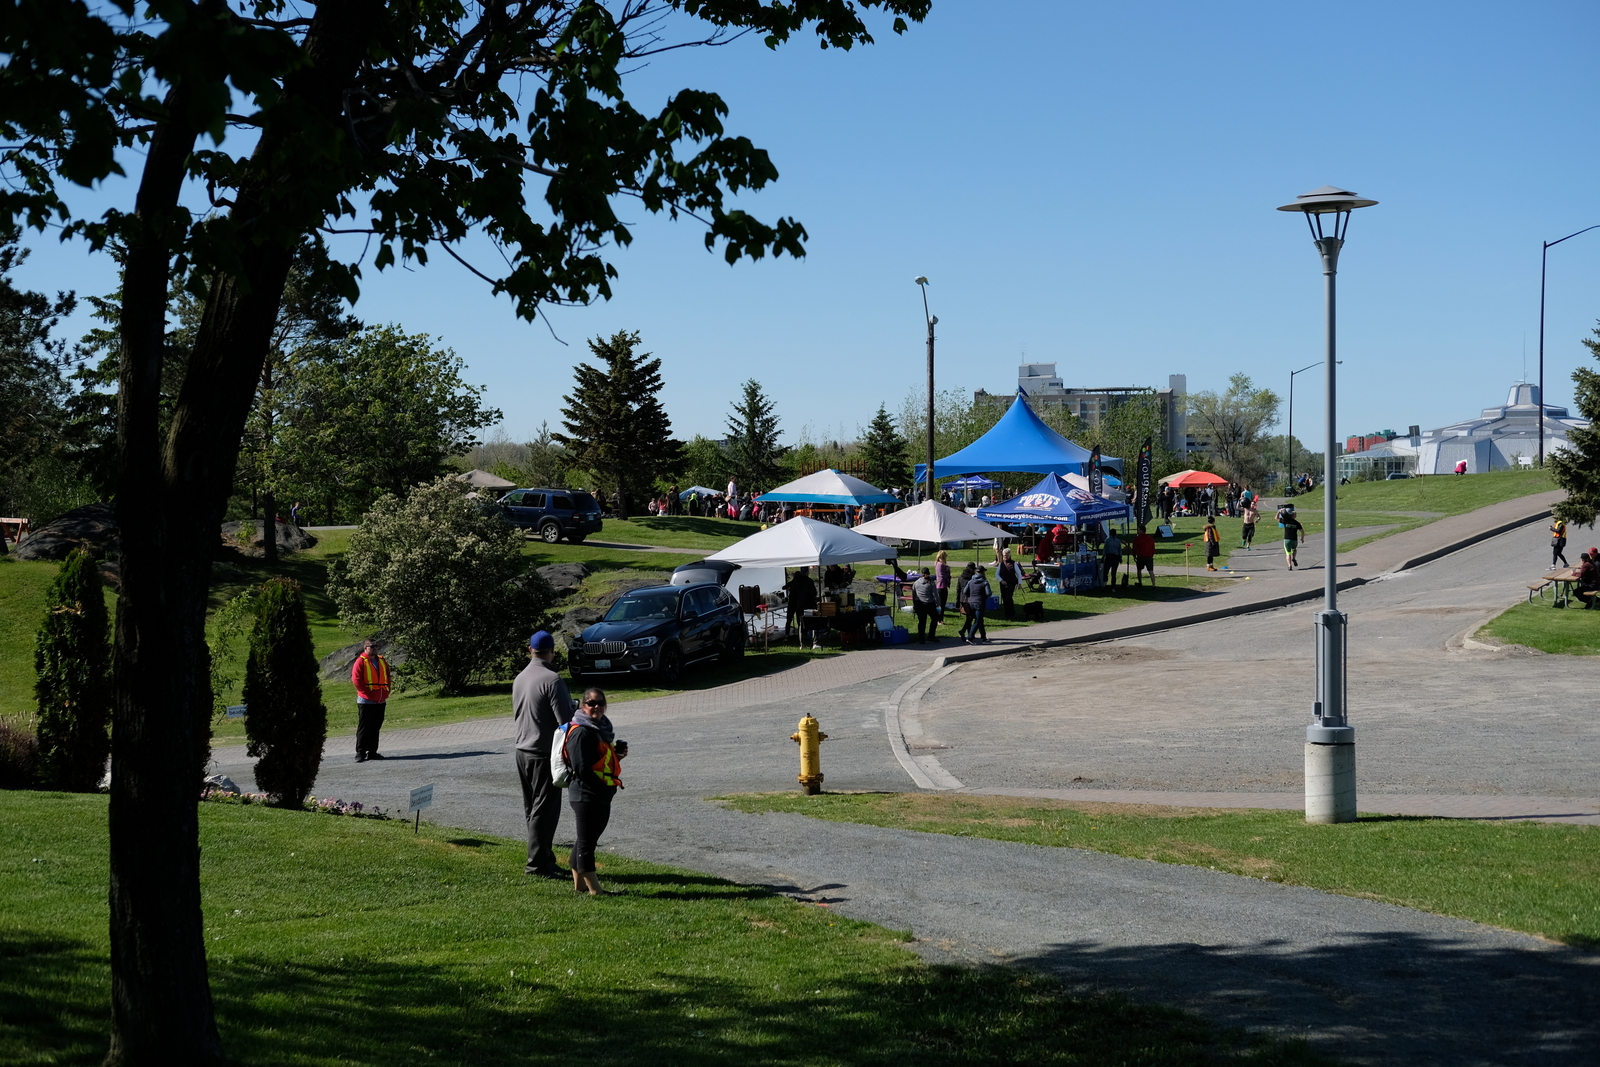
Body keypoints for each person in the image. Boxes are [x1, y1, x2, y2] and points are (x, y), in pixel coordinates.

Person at [513, 630, 574, 879]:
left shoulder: (520, 678)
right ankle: (537, 865)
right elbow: (565, 722)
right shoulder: (552, 679)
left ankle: (545, 857)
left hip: (522, 751)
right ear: (552, 652)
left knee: (533, 808)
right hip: (542, 752)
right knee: (544, 810)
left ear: (530, 650)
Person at [565, 686, 627, 895]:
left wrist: (617, 756)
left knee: (585, 840)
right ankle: (595, 890)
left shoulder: (598, 729)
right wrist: (601, 788)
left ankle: (580, 887)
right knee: (586, 843)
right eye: (591, 703)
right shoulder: (581, 731)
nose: (596, 707)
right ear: (583, 706)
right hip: (586, 793)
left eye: (600, 703)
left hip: (596, 792)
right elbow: (581, 768)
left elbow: (596, 761)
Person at [351, 638, 390, 763]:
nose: (374, 648)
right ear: (365, 648)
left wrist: (387, 691)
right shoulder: (360, 662)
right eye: (371, 646)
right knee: (364, 727)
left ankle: (372, 752)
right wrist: (367, 693)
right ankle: (360, 753)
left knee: (376, 726)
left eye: (376, 646)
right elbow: (356, 680)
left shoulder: (381, 660)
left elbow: (388, 676)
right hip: (366, 700)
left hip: (380, 700)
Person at [784, 566, 818, 640]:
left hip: (792, 601)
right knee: (800, 620)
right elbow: (814, 593)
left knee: (789, 619)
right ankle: (802, 635)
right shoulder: (809, 581)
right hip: (801, 602)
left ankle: (786, 635)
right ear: (807, 572)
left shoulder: (795, 580)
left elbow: (784, 587)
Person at [963, 564, 991, 643]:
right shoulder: (985, 582)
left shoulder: (970, 581)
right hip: (980, 603)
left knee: (980, 620)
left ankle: (984, 637)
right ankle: (970, 637)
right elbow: (988, 593)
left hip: (971, 603)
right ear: (983, 573)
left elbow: (965, 591)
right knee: (977, 621)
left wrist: (971, 596)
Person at [912, 568, 940, 642]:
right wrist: (938, 604)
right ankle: (931, 636)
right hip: (929, 604)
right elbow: (935, 595)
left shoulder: (916, 582)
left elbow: (914, 594)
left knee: (922, 621)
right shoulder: (931, 583)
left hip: (919, 604)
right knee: (934, 618)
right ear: (928, 574)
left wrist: (914, 604)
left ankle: (921, 638)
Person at [996, 546, 1020, 619]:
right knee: (1004, 598)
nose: (1005, 557)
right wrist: (1001, 580)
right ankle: (1007, 613)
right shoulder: (1001, 564)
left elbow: (1019, 574)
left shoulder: (1014, 563)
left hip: (1011, 583)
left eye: (1007, 555)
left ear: (1010, 555)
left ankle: (1012, 612)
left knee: (1008, 597)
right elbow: (997, 574)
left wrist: (1019, 583)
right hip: (1003, 583)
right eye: (1004, 555)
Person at [1279, 504, 1304, 570]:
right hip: (1294, 539)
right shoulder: (1297, 523)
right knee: (1294, 549)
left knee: (1288, 553)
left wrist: (1279, 512)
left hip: (1287, 539)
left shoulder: (1285, 521)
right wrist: (1302, 538)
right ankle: (1294, 558)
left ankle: (1289, 566)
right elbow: (1302, 531)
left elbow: (1276, 518)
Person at [934, 550, 952, 620]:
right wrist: (947, 570)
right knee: (941, 604)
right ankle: (939, 619)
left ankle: (940, 618)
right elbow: (942, 576)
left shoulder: (938, 564)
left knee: (941, 604)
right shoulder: (940, 565)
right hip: (942, 586)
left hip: (940, 586)